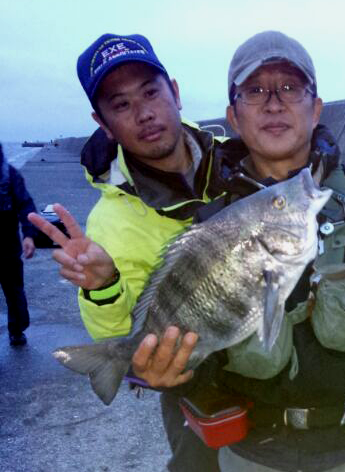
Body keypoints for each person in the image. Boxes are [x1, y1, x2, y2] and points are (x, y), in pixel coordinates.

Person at [129, 30, 345, 472]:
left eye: (290, 88)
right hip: (250, 452)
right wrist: (168, 373)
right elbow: (204, 358)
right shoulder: (212, 221)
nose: (274, 103)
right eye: (255, 91)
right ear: (233, 116)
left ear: (316, 109)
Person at [28, 33, 221, 471]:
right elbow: (119, 335)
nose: (144, 112)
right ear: (103, 122)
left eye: (151, 92)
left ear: (175, 91)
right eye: (121, 104)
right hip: (199, 391)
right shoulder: (108, 224)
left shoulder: (236, 160)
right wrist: (103, 286)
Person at [0, 143, 37, 347]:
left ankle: (17, 330)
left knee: (14, 292)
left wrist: (29, 235)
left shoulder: (10, 175)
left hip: (8, 248)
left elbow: (25, 205)